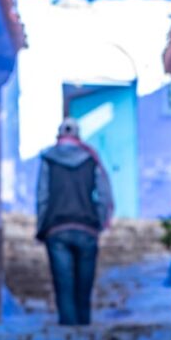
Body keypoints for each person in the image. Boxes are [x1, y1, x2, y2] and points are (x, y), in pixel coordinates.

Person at [36, 117, 114, 326]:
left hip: (56, 230)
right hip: (87, 229)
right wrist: (100, 220)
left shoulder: (48, 159)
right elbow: (104, 194)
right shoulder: (90, 159)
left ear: (59, 135)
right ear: (78, 136)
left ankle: (68, 338)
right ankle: (84, 336)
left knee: (64, 286)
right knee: (84, 288)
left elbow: (42, 196)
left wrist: (41, 227)